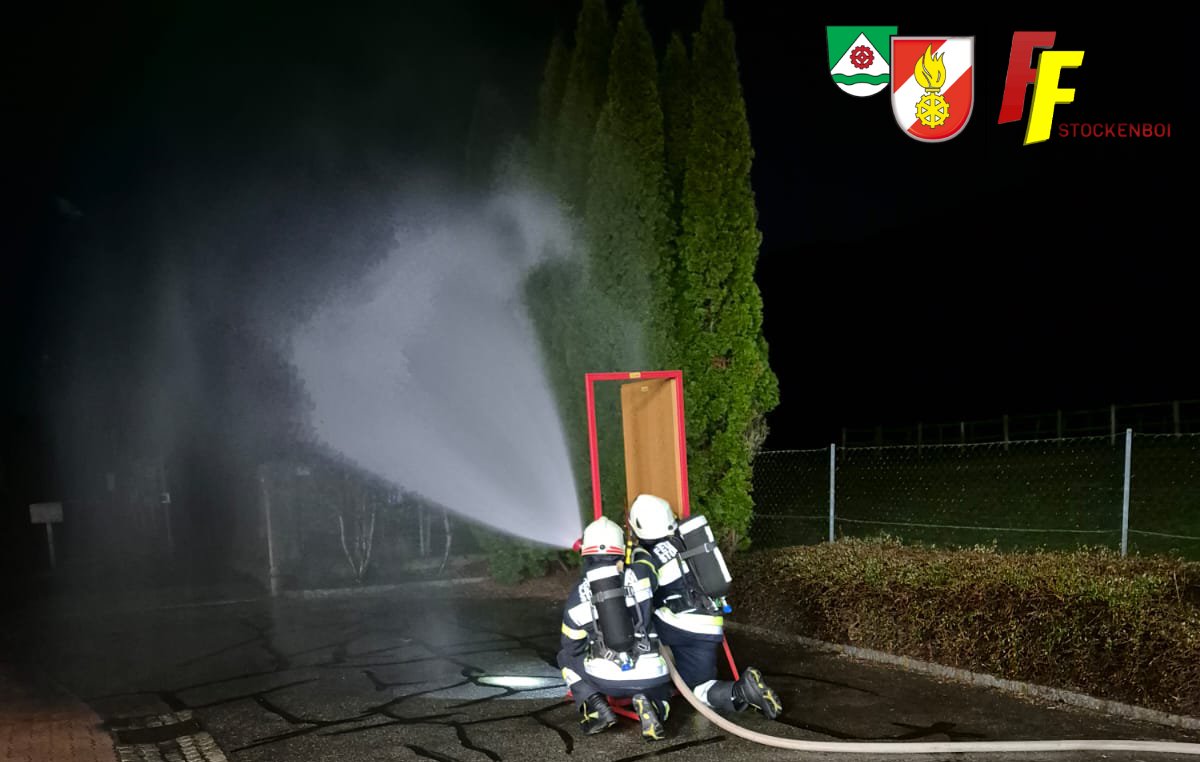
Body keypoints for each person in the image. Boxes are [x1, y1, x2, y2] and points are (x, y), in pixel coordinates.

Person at [627, 493, 784, 719]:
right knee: (700, 687)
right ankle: (743, 690)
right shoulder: (687, 541)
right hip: (710, 624)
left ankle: (649, 694)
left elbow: (639, 598)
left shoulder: (648, 557)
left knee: (636, 626)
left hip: (678, 624)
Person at [558, 516, 672, 740]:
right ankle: (654, 706)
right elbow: (649, 565)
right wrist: (636, 548)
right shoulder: (641, 574)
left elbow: (571, 646)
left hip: (606, 679)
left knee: (564, 658)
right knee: (661, 689)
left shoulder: (577, 596)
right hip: (650, 673)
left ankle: (596, 706)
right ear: (621, 550)